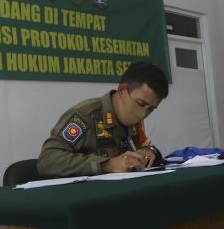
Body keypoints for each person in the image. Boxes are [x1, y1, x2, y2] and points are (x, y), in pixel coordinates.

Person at [37, 61, 168, 177]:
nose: (143, 113)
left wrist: (149, 152)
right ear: (122, 90)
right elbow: (47, 160)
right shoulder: (86, 116)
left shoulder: (133, 122)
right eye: (140, 103)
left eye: (151, 109)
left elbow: (145, 148)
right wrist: (107, 165)